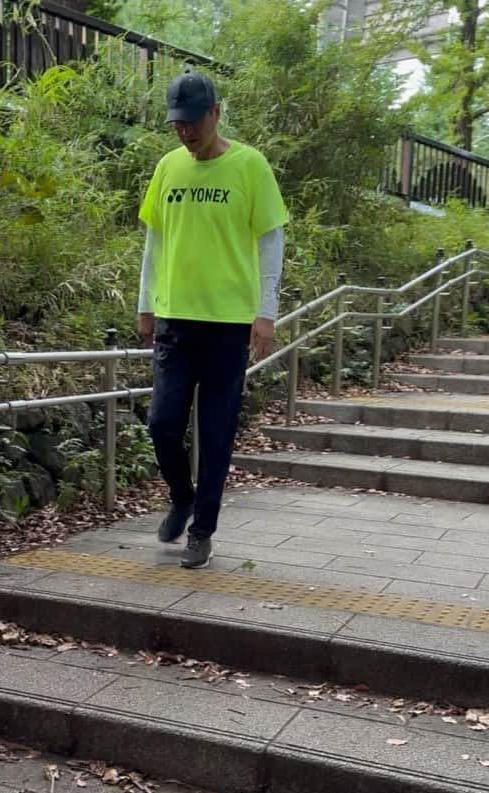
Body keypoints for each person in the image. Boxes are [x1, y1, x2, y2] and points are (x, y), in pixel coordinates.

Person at [137, 69, 287, 569]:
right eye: (177, 123)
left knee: (218, 432)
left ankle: (202, 530)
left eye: (193, 121)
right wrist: (145, 304)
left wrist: (265, 314)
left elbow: (270, 243)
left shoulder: (250, 166)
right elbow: (154, 244)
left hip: (228, 324)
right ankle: (182, 496)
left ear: (216, 113)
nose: (185, 132)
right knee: (162, 425)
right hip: (176, 319)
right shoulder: (167, 168)